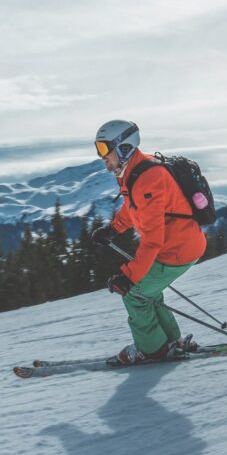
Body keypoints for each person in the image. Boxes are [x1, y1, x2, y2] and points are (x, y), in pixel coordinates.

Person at [91, 120, 208, 365]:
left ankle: (152, 349)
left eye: (104, 149)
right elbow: (132, 209)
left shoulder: (147, 179)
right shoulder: (133, 172)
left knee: (135, 294)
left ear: (123, 147)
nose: (102, 157)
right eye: (98, 149)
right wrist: (113, 229)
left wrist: (129, 277)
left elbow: (153, 241)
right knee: (149, 292)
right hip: (178, 245)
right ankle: (170, 341)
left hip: (177, 250)